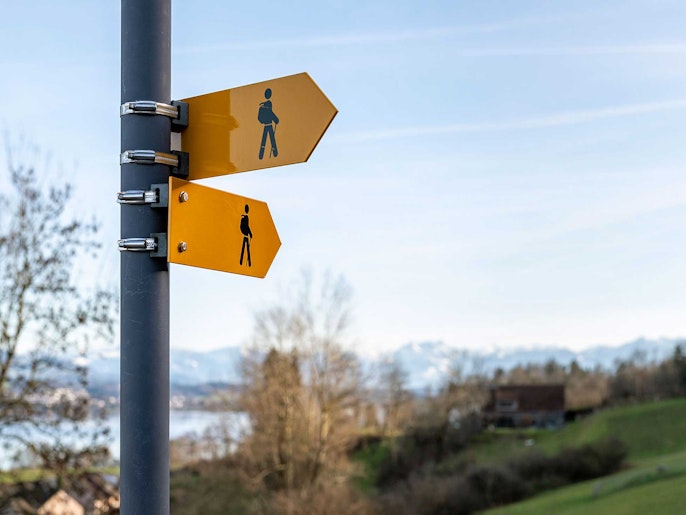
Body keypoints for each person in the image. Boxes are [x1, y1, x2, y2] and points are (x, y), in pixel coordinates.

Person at [258, 88, 279, 160]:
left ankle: (262, 154)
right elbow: (271, 113)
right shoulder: (268, 104)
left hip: (265, 125)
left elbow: (259, 117)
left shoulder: (262, 106)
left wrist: (262, 121)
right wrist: (276, 120)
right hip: (269, 124)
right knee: (271, 138)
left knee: (265, 138)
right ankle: (274, 152)